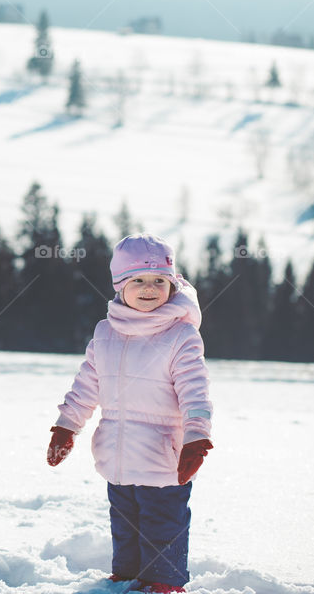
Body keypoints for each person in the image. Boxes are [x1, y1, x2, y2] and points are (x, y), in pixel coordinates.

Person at [46, 233, 213, 593]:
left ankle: (164, 581)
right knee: (124, 520)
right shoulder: (105, 333)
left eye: (159, 281)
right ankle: (127, 573)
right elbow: (86, 387)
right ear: (120, 286)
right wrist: (66, 427)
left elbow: (195, 391)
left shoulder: (181, 335)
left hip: (163, 455)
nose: (149, 288)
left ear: (172, 284)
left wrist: (197, 436)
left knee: (163, 520)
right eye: (138, 280)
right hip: (117, 453)